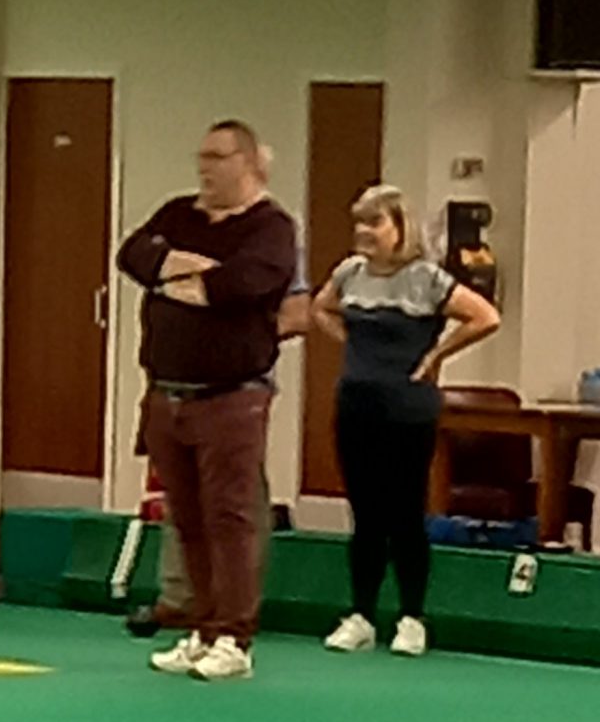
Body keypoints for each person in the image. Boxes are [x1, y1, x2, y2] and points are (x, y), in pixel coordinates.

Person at [118, 120, 299, 682]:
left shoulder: (271, 227)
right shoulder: (178, 213)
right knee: (187, 519)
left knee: (230, 518)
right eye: (201, 156)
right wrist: (181, 268)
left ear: (249, 163)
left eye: (217, 157)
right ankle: (202, 628)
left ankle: (235, 638)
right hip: (168, 393)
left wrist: (191, 277)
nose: (205, 168)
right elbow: (134, 254)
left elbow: (247, 283)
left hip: (232, 398)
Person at [316, 185, 500, 658]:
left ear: (400, 227)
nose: (364, 232)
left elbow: (484, 317)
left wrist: (437, 354)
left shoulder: (426, 279)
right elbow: (321, 309)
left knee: (404, 513)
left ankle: (411, 618)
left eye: (375, 222)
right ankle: (359, 615)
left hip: (408, 409)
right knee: (365, 514)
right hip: (356, 404)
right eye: (360, 222)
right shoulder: (349, 274)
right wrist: (352, 349)